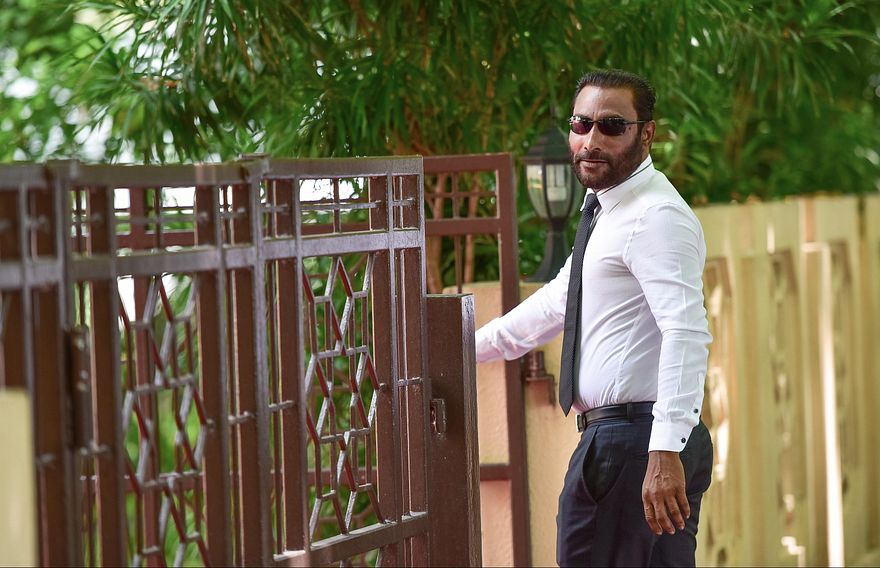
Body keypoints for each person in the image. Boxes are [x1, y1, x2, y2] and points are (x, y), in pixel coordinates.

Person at [475, 69, 714, 567]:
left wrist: (664, 448)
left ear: (646, 133)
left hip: (636, 444)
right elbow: (556, 305)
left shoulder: (654, 216)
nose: (591, 140)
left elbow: (686, 331)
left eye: (612, 126)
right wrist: (460, 347)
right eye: (581, 124)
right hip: (634, 441)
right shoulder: (611, 213)